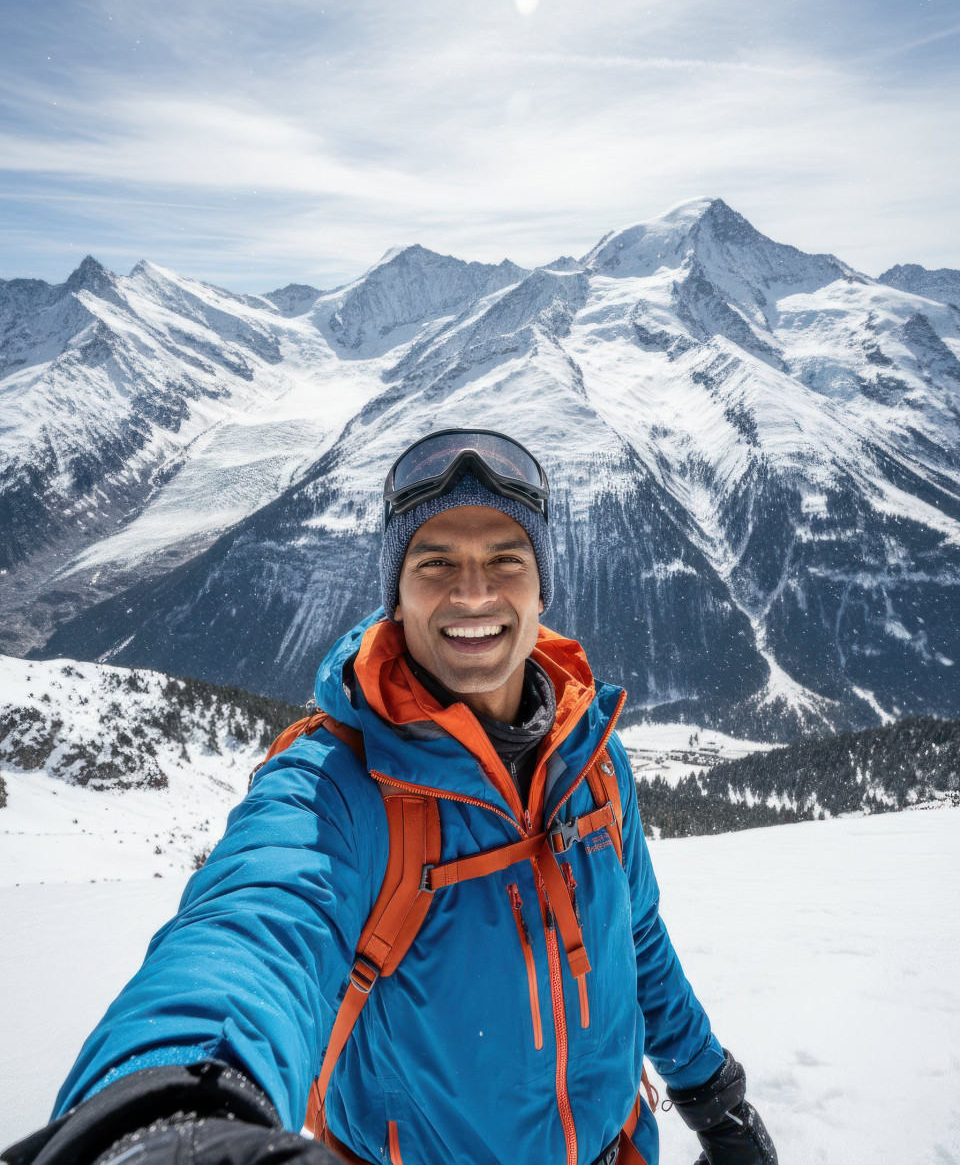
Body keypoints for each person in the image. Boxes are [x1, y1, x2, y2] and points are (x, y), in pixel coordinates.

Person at [3, 429, 778, 1165]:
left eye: (505, 559)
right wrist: (162, 1113)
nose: (473, 592)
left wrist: (712, 1093)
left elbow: (635, 939)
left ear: (542, 588)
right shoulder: (339, 787)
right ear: (395, 597)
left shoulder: (592, 756)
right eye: (435, 563)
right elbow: (251, 930)